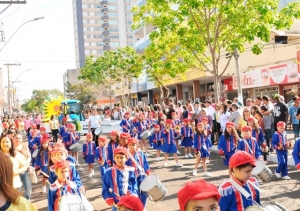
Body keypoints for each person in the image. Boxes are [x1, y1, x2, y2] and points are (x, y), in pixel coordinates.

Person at [126, 138, 151, 206]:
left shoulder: (140, 153)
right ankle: (137, 207)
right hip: (132, 178)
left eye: (133, 145)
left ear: (136, 145)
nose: (131, 146)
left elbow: (145, 163)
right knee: (135, 194)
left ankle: (142, 207)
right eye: (130, 145)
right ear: (128, 145)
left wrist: (148, 172)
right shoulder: (126, 155)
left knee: (145, 193)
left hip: (142, 176)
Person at [13, 133, 32, 200]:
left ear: (22, 139)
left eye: (19, 138)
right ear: (13, 139)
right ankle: (19, 203)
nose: (18, 139)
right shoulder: (11, 148)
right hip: (16, 172)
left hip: (25, 171)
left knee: (28, 189)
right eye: (16, 138)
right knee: (18, 189)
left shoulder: (24, 147)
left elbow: (29, 157)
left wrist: (26, 163)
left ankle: (27, 201)